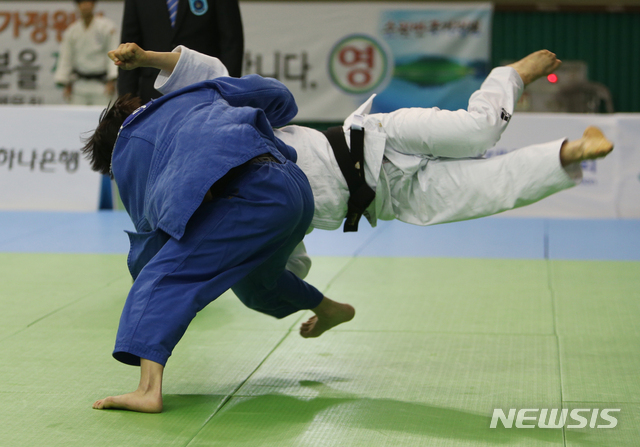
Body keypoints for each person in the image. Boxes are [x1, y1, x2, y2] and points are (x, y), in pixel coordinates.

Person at [109, 43, 614, 282]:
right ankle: (569, 153)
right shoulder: (240, 201)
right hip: (389, 201)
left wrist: (149, 59)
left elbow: (212, 75)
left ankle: (511, 74)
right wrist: (302, 300)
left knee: (479, 130)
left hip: (376, 140)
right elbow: (287, 253)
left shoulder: (224, 128)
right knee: (492, 190)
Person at [86, 51, 354, 413]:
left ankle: (148, 390)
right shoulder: (191, 96)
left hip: (252, 196)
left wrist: (156, 282)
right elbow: (275, 94)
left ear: (110, 157)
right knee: (257, 284)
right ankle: (329, 309)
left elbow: (153, 241)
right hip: (293, 185)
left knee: (161, 277)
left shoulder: (127, 149)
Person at [117, 0, 243, 102]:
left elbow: (232, 43)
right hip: (152, 95)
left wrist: (228, 94)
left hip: (205, 92)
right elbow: (129, 46)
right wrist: (125, 103)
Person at [54, 0, 118, 105]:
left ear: (93, 4)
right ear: (77, 6)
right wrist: (66, 82)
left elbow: (113, 53)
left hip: (102, 84)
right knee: (76, 118)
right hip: (79, 85)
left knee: (104, 119)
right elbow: (66, 58)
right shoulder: (72, 30)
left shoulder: (106, 27)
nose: (85, 6)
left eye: (87, 2)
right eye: (81, 3)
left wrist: (112, 80)